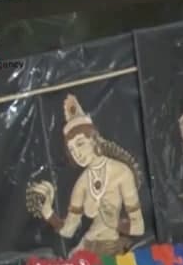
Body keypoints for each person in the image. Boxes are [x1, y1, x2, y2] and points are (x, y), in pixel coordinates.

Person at [30, 94, 144, 256]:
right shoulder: (82, 183)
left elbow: (138, 227)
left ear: (94, 139)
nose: (77, 153)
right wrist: (48, 212)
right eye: (71, 149)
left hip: (112, 249)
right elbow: (68, 230)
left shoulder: (121, 172)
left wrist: (114, 223)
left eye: (80, 144)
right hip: (84, 249)